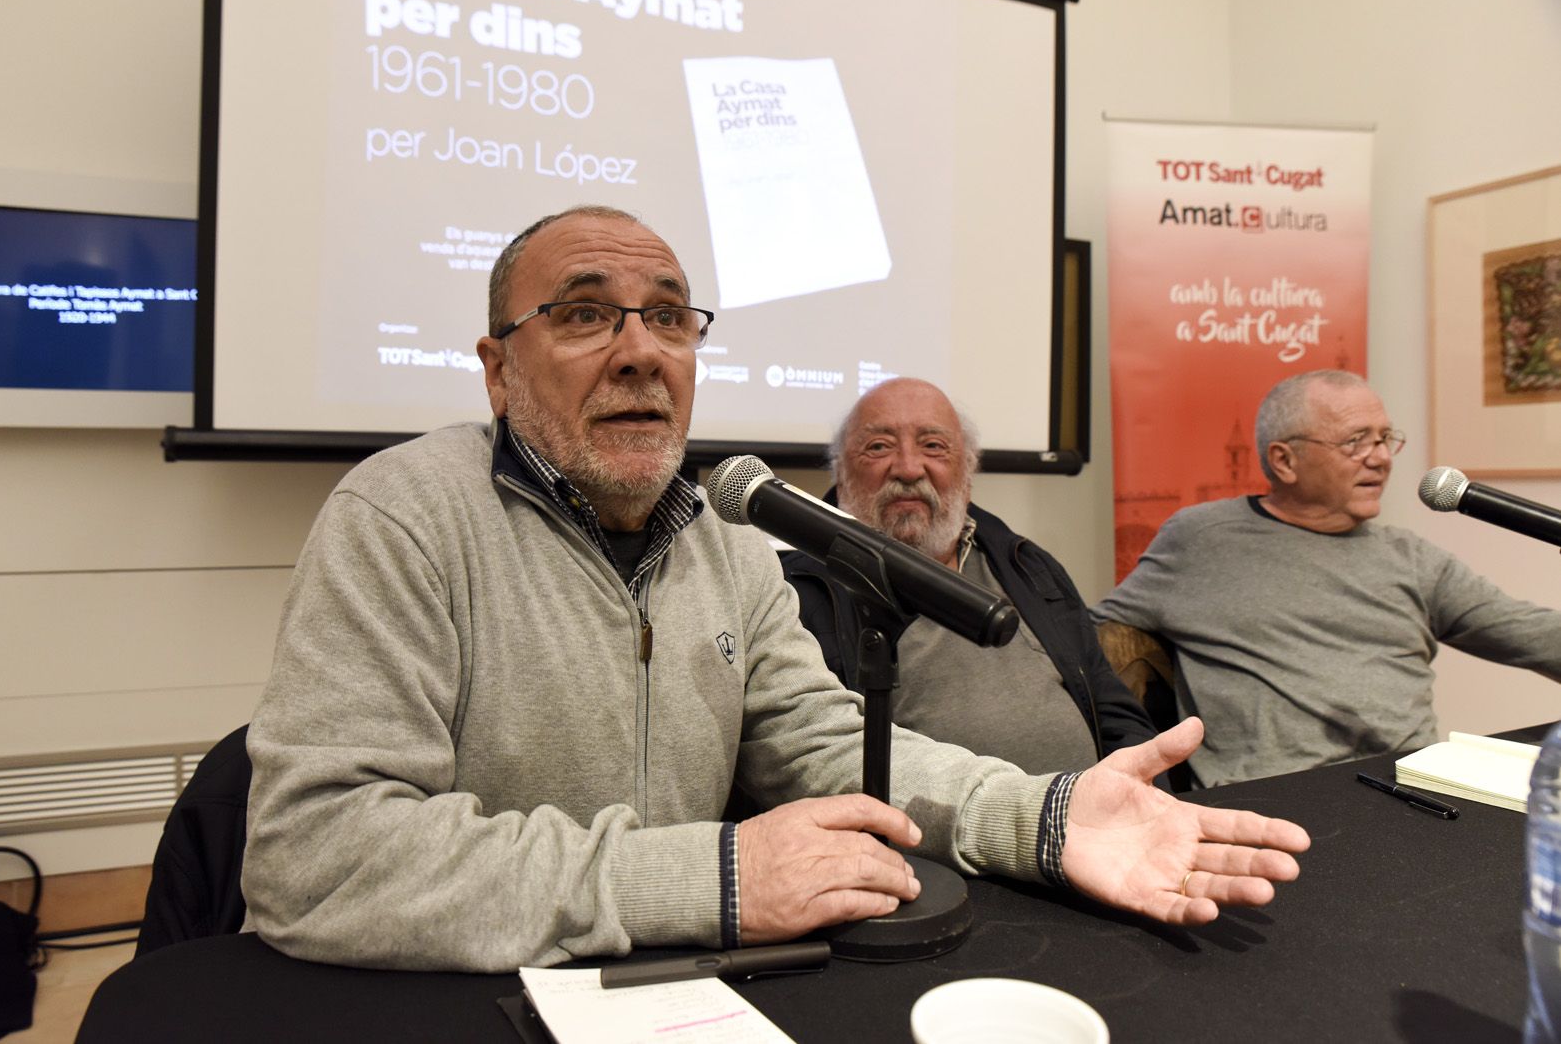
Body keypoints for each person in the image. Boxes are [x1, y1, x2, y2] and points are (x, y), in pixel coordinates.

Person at [241, 205, 1309, 973]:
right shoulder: (401, 517)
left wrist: (1043, 815)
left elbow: (825, 743)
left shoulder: (729, 542)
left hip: (676, 994)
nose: (640, 352)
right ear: (496, 368)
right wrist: (708, 878)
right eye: (583, 316)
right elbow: (318, 858)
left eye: (670, 318)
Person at [1094, 369, 1561, 787]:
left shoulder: (1411, 558)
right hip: (1277, 800)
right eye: (1357, 440)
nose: (1380, 458)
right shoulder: (1202, 541)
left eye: (1385, 439)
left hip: (1413, 786)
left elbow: (1530, 633)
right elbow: (1082, 637)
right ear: (1284, 462)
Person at [781, 378, 1156, 776]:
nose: (908, 468)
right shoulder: (798, 594)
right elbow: (818, 760)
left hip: (1096, 823)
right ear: (841, 471)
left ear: (968, 468)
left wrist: (1145, 790)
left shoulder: (1026, 565)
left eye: (933, 446)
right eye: (879, 447)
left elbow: (1112, 709)